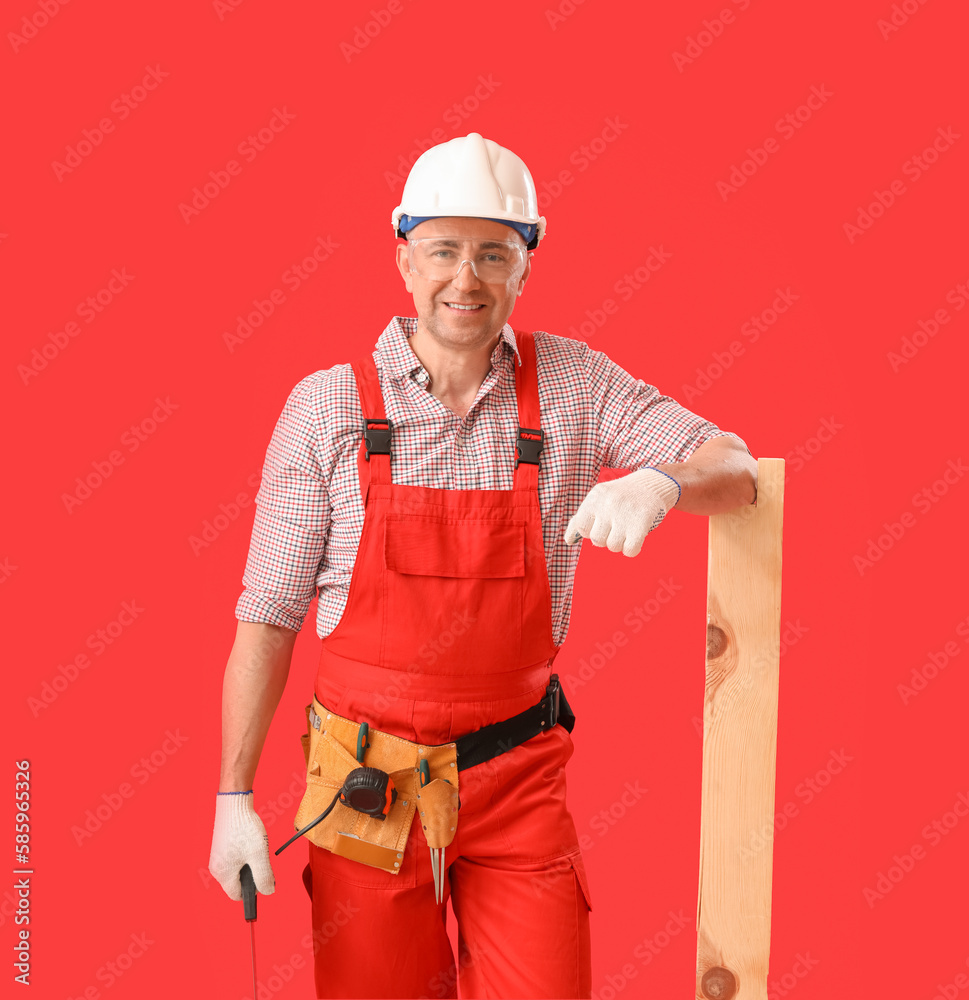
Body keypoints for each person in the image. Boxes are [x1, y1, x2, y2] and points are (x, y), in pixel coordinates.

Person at [208, 132, 757, 999]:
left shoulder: (578, 385)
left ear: (524, 267)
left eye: (493, 254)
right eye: (444, 251)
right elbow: (269, 613)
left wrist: (662, 480)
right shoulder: (325, 408)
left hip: (517, 782)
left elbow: (734, 468)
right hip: (362, 788)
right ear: (404, 258)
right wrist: (231, 798)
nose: (466, 278)